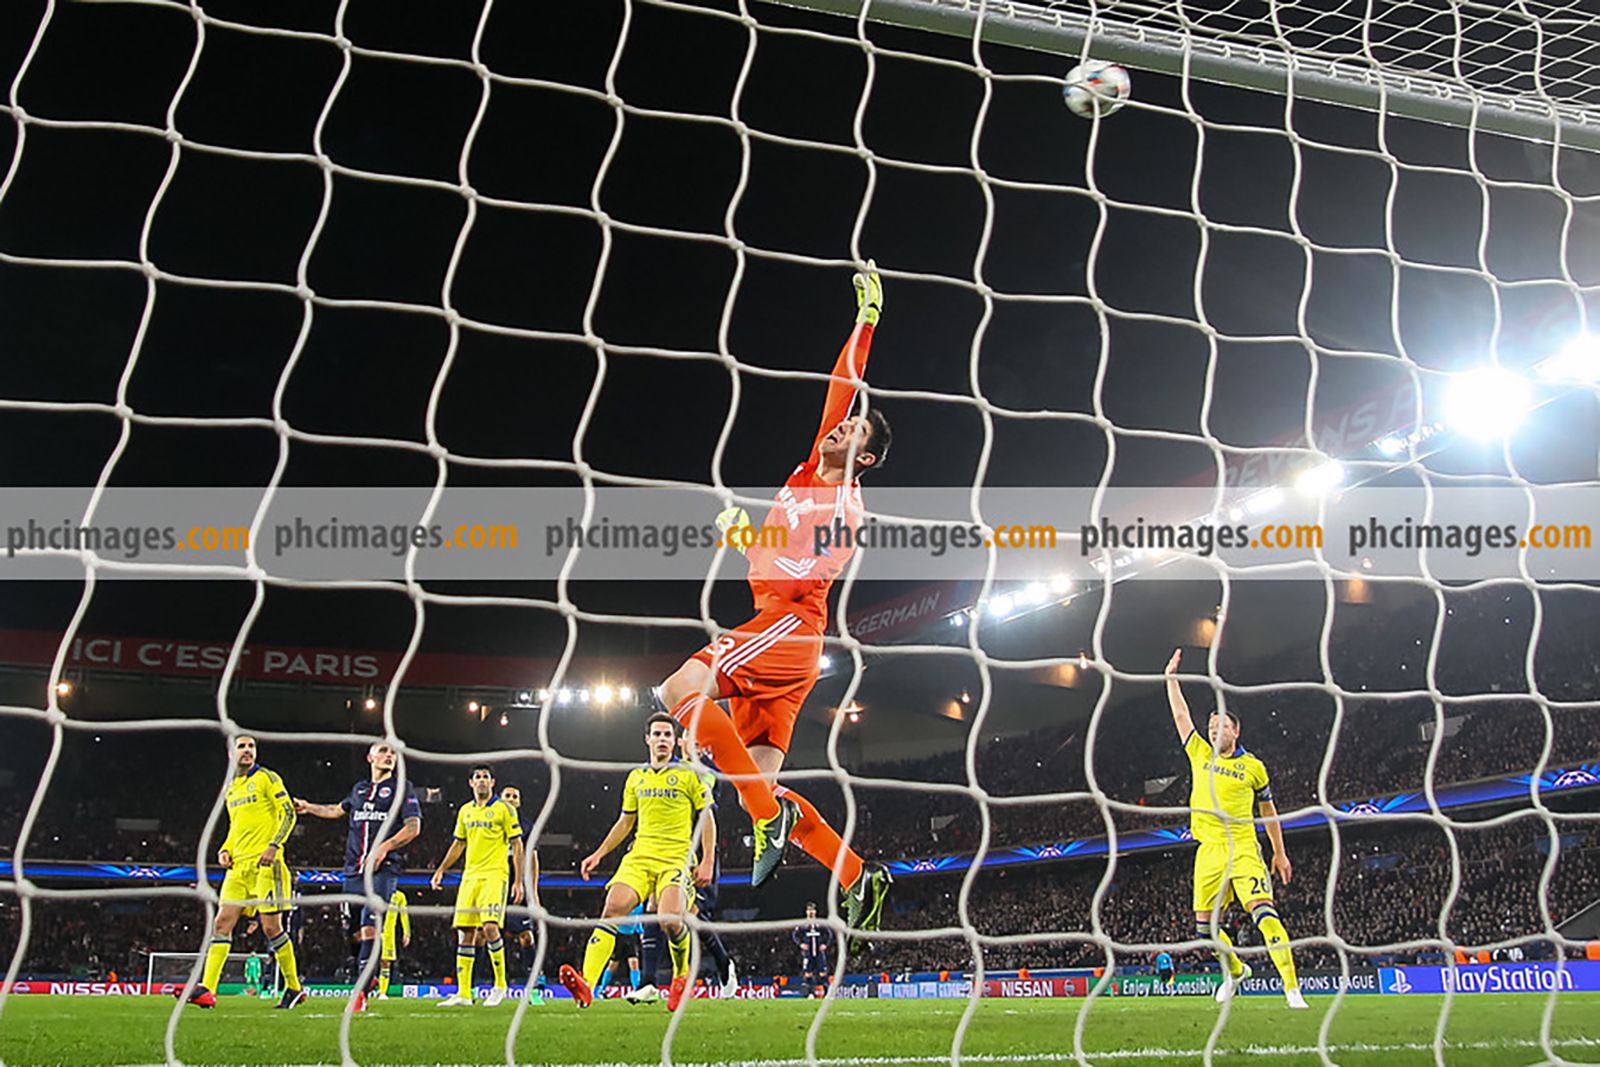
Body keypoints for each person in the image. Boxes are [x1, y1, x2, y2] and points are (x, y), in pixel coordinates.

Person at [654, 261, 893, 930]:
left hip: (790, 627)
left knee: (678, 691)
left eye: (854, 432)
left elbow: (796, 576)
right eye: (843, 425)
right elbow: (842, 384)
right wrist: (866, 321)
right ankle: (857, 874)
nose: (841, 428)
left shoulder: (845, 507)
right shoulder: (815, 462)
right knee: (755, 785)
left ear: (865, 459)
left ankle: (770, 821)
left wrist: (748, 543)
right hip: (782, 638)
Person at [1165, 649, 1306, 1009]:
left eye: (1222, 726)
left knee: (1265, 915)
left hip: (1243, 849)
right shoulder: (1199, 753)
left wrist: (1279, 852)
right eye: (1212, 726)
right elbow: (1181, 715)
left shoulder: (1254, 768)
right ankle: (1236, 971)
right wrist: (1171, 680)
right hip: (1208, 852)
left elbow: (1269, 811)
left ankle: (1292, 990)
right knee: (1205, 932)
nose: (1214, 730)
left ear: (1236, 731)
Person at [558, 714, 714, 1013]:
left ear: (675, 741)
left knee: (670, 920)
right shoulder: (635, 778)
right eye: (657, 734)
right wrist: (599, 854)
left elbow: (707, 818)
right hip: (640, 857)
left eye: (667, 734)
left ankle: (681, 977)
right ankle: (586, 984)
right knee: (612, 909)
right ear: (647, 739)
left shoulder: (689, 775)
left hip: (676, 858)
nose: (662, 739)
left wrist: (707, 859)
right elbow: (625, 822)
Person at [295, 740, 422, 1013]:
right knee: (353, 931)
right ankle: (368, 972)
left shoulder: (402, 788)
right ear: (370, 757)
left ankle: (360, 992)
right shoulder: (359, 790)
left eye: (392, 753)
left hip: (383, 870)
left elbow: (414, 827)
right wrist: (308, 807)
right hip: (353, 870)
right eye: (383, 751)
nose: (389, 755)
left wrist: (384, 848)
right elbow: (336, 810)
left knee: (369, 926)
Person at [181, 735, 306, 1010]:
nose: (247, 750)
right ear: (231, 753)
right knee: (221, 923)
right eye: (242, 746)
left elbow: (288, 813)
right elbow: (235, 826)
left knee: (271, 928)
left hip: (266, 866)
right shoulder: (231, 788)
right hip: (237, 869)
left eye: (251, 746)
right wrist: (225, 849)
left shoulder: (267, 778)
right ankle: (208, 989)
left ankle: (294, 987)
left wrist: (274, 845)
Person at [430, 765, 525, 1007]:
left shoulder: (504, 809)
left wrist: (518, 880)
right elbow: (459, 844)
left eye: (485, 777)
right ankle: (463, 993)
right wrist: (441, 869)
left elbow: (517, 844)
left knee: (490, 927)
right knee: (465, 932)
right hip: (469, 877)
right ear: (471, 783)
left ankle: (500, 985)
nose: (482, 781)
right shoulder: (466, 811)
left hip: (495, 875)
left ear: (492, 782)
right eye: (477, 777)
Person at [498, 785, 542, 975]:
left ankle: (535, 979)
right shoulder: (492, 823)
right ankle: (477, 982)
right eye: (507, 795)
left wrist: (533, 892)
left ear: (519, 802)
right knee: (483, 934)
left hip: (518, 886)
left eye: (514, 796)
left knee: (526, 936)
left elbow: (533, 860)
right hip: (495, 881)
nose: (511, 799)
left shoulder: (528, 826)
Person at [374, 888, 410, 999]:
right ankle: (369, 985)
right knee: (369, 961)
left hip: (388, 934)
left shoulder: (399, 896)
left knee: (385, 962)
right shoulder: (375, 892)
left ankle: (382, 992)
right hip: (373, 931)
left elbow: (404, 914)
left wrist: (406, 932)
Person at [793, 902, 830, 994]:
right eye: (809, 910)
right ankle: (810, 993)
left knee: (822, 972)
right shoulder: (803, 924)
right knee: (808, 972)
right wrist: (800, 944)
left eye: (812, 910)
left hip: (819, 951)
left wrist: (825, 944)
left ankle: (826, 993)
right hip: (808, 952)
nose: (811, 912)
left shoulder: (820, 923)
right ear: (806, 912)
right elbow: (795, 935)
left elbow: (829, 934)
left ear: (815, 911)